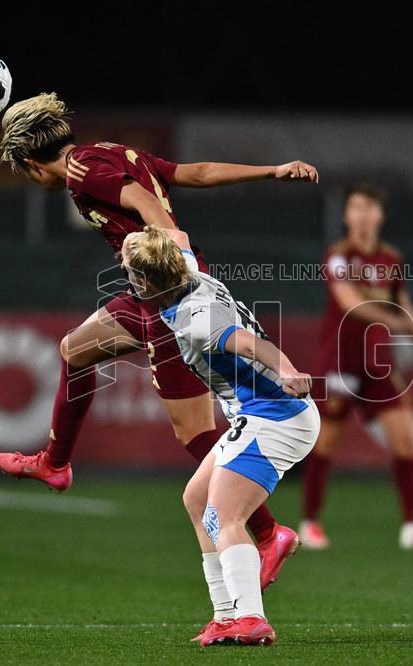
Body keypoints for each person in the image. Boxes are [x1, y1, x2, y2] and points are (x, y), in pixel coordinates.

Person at [0, 93, 319, 587]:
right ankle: (55, 464)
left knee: (192, 432)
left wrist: (178, 254)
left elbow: (143, 202)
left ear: (33, 164)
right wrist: (271, 170)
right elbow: (197, 173)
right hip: (145, 293)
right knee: (74, 349)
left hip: (170, 298)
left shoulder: (81, 171)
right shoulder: (112, 151)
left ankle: (269, 533)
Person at [122, 225, 319, 647]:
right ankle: (225, 615)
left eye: (134, 274)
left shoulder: (199, 321)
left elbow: (249, 345)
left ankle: (250, 617)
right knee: (196, 500)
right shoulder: (183, 271)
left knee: (223, 515)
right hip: (259, 415)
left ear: (150, 280)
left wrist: (285, 370)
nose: (130, 281)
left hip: (276, 417)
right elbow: (178, 234)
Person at [300, 184, 413, 551]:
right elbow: (350, 302)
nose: (362, 214)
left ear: (380, 216)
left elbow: (405, 303)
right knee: (327, 443)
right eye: (355, 207)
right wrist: (399, 323)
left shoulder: (391, 258)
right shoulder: (338, 256)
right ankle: (310, 523)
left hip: (377, 363)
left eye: (369, 208)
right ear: (346, 215)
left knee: (405, 439)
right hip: (341, 361)